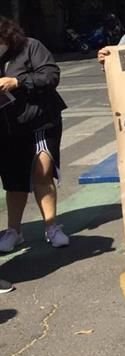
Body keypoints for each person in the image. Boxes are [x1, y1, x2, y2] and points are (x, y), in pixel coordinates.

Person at [0, 16, 70, 253]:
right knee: (14, 180)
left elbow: (51, 75)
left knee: (43, 171)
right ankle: (13, 231)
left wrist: (17, 82)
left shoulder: (31, 46)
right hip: (8, 126)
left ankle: (52, 227)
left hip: (41, 119)